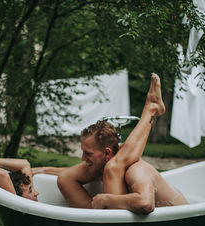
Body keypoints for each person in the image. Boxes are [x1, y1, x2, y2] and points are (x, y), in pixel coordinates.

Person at [35, 73, 188, 214]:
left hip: (183, 222)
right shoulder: (104, 166)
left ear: (108, 153)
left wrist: (106, 199)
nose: (82, 158)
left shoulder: (137, 170)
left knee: (113, 168)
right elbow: (67, 172)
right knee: (65, 178)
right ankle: (94, 224)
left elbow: (146, 203)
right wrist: (41, 170)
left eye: (88, 153)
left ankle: (151, 108)